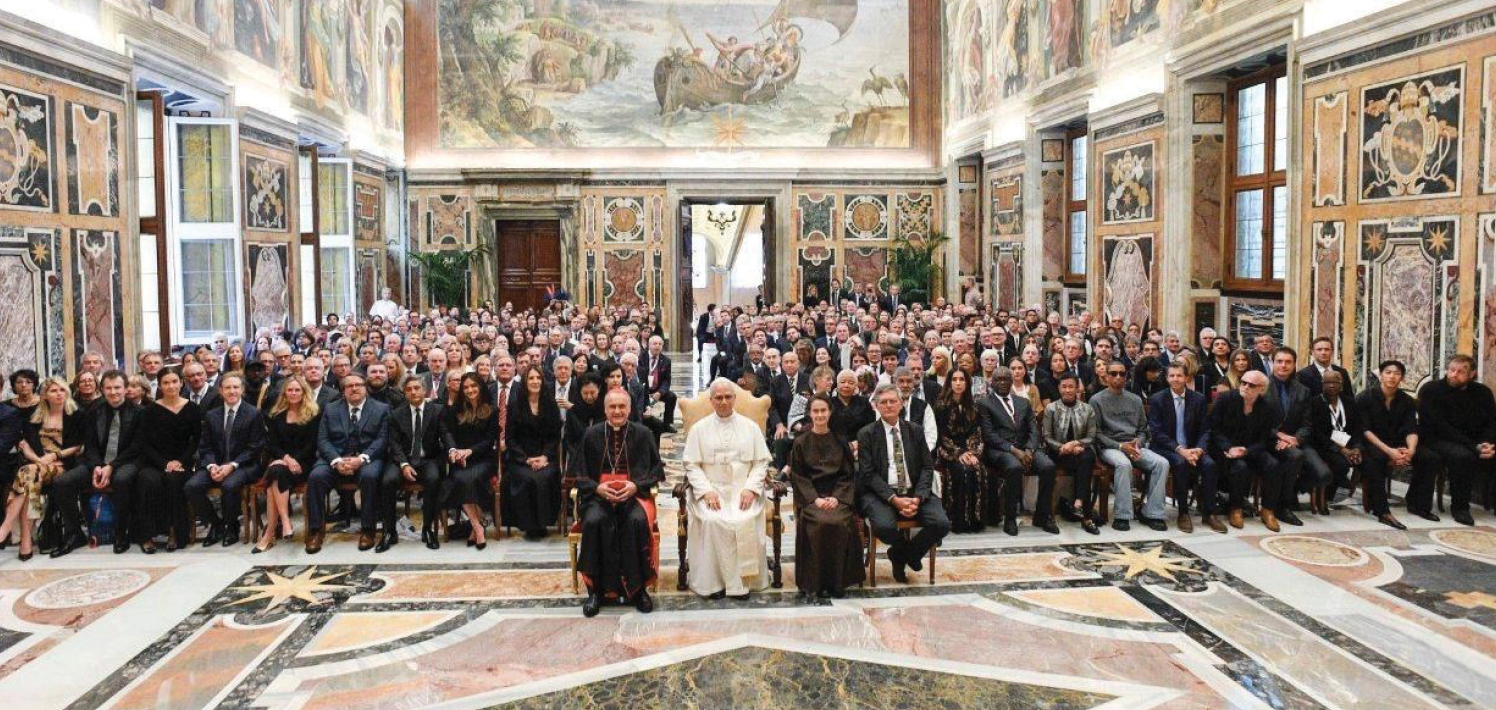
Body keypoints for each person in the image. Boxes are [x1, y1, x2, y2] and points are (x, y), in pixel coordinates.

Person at [681, 378, 772, 599]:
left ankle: (743, 583)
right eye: (718, 398)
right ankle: (713, 584)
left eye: (728, 397)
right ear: (711, 401)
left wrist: (751, 488)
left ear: (735, 399)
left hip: (744, 492)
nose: (723, 402)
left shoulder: (750, 427)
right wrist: (705, 491)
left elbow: (761, 462)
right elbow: (691, 464)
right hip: (711, 491)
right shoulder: (699, 429)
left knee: (743, 520)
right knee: (714, 520)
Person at [574, 388, 662, 616]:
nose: (617, 411)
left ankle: (639, 590)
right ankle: (595, 591)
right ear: (605, 409)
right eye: (612, 407)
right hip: (598, 496)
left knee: (634, 521)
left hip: (635, 495)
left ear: (630, 409)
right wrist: (597, 488)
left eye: (622, 406)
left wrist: (634, 486)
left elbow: (656, 471)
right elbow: (580, 473)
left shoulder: (643, 434)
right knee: (594, 522)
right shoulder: (591, 434)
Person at [858, 384, 950, 582]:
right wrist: (894, 500)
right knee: (884, 527)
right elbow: (868, 474)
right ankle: (904, 552)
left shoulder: (915, 430)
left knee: (941, 523)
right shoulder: (866, 434)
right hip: (882, 494)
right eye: (884, 402)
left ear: (902, 404)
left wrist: (917, 497)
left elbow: (927, 467)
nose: (889, 405)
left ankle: (902, 555)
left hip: (915, 490)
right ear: (876, 406)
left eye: (893, 401)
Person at [53, 370, 143, 556]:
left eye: (117, 387)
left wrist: (112, 466)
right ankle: (74, 533)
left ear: (126, 389)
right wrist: (96, 466)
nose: (113, 392)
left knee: (121, 480)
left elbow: (136, 447)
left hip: (127, 461)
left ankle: (121, 533)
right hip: (96, 462)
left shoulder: (139, 412)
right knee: (62, 483)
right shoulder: (95, 410)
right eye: (108, 388)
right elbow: (90, 443)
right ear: (102, 390)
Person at [305, 372, 391, 553]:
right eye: (349, 386)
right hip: (336, 457)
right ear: (343, 391)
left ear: (365, 388)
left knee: (370, 476)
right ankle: (315, 531)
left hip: (367, 458)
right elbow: (323, 440)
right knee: (316, 477)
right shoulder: (331, 409)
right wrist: (336, 461)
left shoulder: (381, 409)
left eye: (358, 385)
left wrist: (361, 459)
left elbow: (382, 440)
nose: (354, 389)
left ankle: (367, 530)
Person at [788, 394, 865, 598]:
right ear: (810, 413)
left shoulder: (840, 441)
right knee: (820, 522)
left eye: (823, 410)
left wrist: (837, 498)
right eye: (816, 411)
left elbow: (848, 474)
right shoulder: (800, 442)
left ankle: (838, 583)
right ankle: (816, 582)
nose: (820, 415)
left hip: (837, 497)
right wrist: (815, 499)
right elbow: (798, 476)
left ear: (830, 412)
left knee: (839, 521)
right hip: (812, 498)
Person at [4, 378, 83, 561]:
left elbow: (78, 446)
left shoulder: (76, 414)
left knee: (29, 474)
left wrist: (55, 456)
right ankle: (26, 541)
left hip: (62, 466)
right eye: (53, 390)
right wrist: (39, 460)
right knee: (32, 484)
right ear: (45, 395)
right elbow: (25, 445)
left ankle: (6, 528)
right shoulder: (35, 416)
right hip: (38, 465)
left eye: (62, 390)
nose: (58, 394)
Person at [1414, 354, 1496, 526]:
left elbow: (1491, 422)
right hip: (1435, 438)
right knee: (1463, 456)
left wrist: (1487, 443)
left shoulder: (1482, 392)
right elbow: (1440, 426)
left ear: (1472, 374)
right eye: (1451, 370)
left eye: (1460, 372)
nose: (1453, 374)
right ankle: (1460, 507)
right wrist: (1474, 446)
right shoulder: (1431, 390)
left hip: (1473, 441)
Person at [185, 373, 265, 546]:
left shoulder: (253, 414)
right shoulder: (211, 415)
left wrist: (232, 465)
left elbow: (255, 447)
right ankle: (216, 524)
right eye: (227, 387)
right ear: (221, 391)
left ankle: (232, 526)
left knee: (229, 485)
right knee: (192, 486)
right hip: (216, 464)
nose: (232, 391)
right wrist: (212, 466)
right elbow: (205, 446)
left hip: (244, 465)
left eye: (236, 387)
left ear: (242, 390)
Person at [977, 366, 1057, 535]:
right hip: (999, 450)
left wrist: (1029, 449)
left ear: (1012, 380)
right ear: (992, 382)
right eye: (998, 379)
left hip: (1026, 449)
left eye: (1006, 378)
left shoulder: (1023, 402)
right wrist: (1014, 450)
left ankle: (1042, 516)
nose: (1003, 382)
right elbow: (989, 435)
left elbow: (1034, 430)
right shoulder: (985, 403)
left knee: (1048, 466)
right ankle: (1010, 518)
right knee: (1014, 467)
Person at [1091, 361, 1170, 532]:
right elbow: (1096, 434)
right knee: (1123, 464)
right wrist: (1120, 446)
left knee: (1161, 463)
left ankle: (1153, 513)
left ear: (1127, 377)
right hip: (1110, 447)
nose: (1118, 377)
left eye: (1122, 374)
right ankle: (1122, 515)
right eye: (1113, 373)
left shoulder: (1135, 400)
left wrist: (1137, 443)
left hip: (1135, 445)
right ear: (1106, 376)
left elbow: (1143, 429)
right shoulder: (1096, 400)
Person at [253, 375, 322, 554]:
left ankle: (270, 533)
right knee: (277, 472)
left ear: (304, 392)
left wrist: (294, 460)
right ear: (284, 393)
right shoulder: (276, 414)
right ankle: (285, 521)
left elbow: (312, 444)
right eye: (289, 390)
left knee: (272, 483)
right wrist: (287, 459)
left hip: (305, 463)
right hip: (283, 461)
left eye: (297, 390)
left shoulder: (314, 413)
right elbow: (272, 444)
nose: (293, 393)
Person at [1206, 371, 1283, 530]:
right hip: (1224, 449)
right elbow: (1213, 429)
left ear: (1261, 390)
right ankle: (1235, 508)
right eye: (1243, 382)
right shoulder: (1226, 399)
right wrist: (1229, 448)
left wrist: (1247, 450)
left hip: (1251, 449)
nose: (1246, 387)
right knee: (1240, 467)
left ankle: (1267, 510)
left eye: (1252, 385)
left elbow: (1265, 439)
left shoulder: (1267, 407)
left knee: (1273, 464)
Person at [1148, 363, 1220, 533]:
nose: (1175, 379)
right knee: (1180, 463)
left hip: (1193, 448)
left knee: (1210, 465)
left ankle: (1209, 513)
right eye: (1172, 375)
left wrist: (1200, 449)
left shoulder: (1198, 399)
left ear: (1186, 377)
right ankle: (1183, 512)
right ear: (1166, 378)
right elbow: (1157, 432)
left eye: (1179, 375)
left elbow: (1205, 429)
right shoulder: (1158, 399)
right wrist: (1180, 449)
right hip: (1167, 448)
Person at [135, 368, 200, 552]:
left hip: (182, 462)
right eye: (166, 382)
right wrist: (164, 464)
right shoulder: (149, 411)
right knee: (148, 480)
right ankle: (146, 536)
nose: (170, 386)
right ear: (160, 385)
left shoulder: (192, 409)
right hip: (155, 461)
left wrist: (180, 462)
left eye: (174, 381)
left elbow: (196, 441)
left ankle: (174, 532)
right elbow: (145, 443)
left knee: (174, 481)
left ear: (181, 383)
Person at [384, 376, 447, 551]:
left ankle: (427, 529)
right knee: (388, 481)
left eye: (417, 388)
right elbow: (394, 443)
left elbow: (445, 434)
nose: (413, 392)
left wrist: (452, 450)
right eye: (409, 389)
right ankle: (390, 531)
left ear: (425, 390)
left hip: (428, 459)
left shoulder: (437, 410)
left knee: (434, 479)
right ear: (404, 393)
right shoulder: (396, 413)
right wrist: (404, 464)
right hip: (402, 459)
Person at [504, 365, 563, 539]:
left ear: (542, 381)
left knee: (544, 477)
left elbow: (555, 436)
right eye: (531, 378)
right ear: (525, 382)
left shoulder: (550, 404)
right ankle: (528, 525)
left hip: (546, 456)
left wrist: (545, 457)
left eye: (538, 378)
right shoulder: (515, 405)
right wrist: (526, 459)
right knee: (526, 478)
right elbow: (510, 439)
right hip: (521, 458)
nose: (535, 381)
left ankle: (543, 523)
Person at [1354, 360, 1414, 529]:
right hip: (1368, 443)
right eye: (1388, 372)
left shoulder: (1407, 401)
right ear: (1380, 375)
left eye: (1396, 373)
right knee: (1376, 459)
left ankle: (1418, 504)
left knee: (1427, 457)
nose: (1392, 377)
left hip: (1396, 443)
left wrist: (1410, 451)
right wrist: (1390, 452)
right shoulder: (1365, 397)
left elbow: (1412, 429)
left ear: (1401, 378)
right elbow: (1364, 430)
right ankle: (1383, 512)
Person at [443, 372, 498, 549]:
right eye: (465, 387)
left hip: (483, 459)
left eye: (473, 386)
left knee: (471, 479)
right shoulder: (456, 410)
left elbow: (489, 441)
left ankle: (475, 527)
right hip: (460, 459)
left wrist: (470, 451)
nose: (470, 390)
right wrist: (455, 452)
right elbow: (448, 433)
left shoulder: (492, 410)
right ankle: (478, 526)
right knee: (459, 478)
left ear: (480, 387)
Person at [1042, 373, 1100, 535]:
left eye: (1071, 387)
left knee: (1087, 457)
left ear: (1077, 389)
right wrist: (1064, 447)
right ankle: (1085, 514)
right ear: (1059, 388)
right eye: (1064, 387)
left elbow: (1091, 436)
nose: (1068, 390)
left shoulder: (1087, 409)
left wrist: (1075, 443)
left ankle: (1079, 504)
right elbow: (1046, 437)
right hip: (1057, 453)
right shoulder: (1051, 408)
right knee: (1085, 463)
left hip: (1080, 452)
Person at [1261, 347, 1312, 525]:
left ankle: (1284, 503)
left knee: (1311, 465)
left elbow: (1307, 423)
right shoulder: (1261, 386)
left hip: (1292, 441)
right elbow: (1257, 422)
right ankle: (1281, 506)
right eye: (1279, 361)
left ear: (1294, 364)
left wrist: (1296, 439)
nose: (1283, 365)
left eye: (1288, 362)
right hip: (1264, 439)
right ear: (1273, 363)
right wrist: (1280, 436)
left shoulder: (1303, 390)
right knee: (1293, 457)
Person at [932, 368, 985, 533]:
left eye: (961, 379)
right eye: (954, 379)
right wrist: (958, 453)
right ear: (949, 382)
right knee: (961, 472)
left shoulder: (973, 405)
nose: (958, 383)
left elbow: (977, 433)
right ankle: (958, 522)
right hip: (948, 451)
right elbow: (940, 435)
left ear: (967, 382)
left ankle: (974, 522)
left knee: (977, 469)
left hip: (969, 450)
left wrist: (972, 453)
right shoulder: (941, 406)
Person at [1307, 370, 1363, 516]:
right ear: (1322, 385)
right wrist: (1341, 449)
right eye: (1327, 382)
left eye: (1335, 382)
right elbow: (1317, 433)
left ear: (1341, 385)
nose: (1331, 385)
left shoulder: (1350, 403)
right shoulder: (1315, 403)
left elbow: (1357, 428)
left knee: (1366, 461)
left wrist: (1356, 447)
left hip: (1348, 444)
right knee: (1341, 463)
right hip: (1324, 446)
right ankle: (1325, 497)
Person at [828, 369, 875, 447]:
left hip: (861, 446)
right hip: (834, 446)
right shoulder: (829, 403)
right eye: (842, 382)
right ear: (837, 385)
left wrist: (857, 444)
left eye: (851, 383)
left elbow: (870, 428)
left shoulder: (864, 402)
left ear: (856, 386)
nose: (846, 385)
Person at [639, 336, 677, 429]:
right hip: (643, 388)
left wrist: (660, 392)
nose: (657, 346)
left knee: (672, 397)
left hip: (657, 389)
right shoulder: (641, 357)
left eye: (660, 344)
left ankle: (667, 424)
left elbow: (667, 380)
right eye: (655, 343)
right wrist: (645, 392)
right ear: (649, 345)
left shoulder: (666, 361)